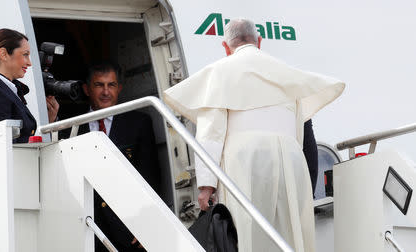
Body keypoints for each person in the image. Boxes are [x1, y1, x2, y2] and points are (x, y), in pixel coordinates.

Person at [163, 19, 345, 252]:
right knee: (288, 233)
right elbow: (298, 128)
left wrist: (206, 186)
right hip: (290, 159)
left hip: (244, 159)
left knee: (248, 232)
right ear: (259, 42)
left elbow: (212, 133)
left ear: (226, 47)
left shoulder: (220, 72)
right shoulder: (284, 71)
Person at [80, 63, 161, 252]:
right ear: (86, 89)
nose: (106, 92)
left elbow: (150, 177)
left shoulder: (139, 123)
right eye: (99, 85)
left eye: (112, 85)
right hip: (85, 228)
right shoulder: (70, 125)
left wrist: (150, 222)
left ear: (120, 88)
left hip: (128, 229)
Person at [0, 28, 59, 143]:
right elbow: (4, 146)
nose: (29, 63)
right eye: (25, 55)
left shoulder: (6, 90)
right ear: (3, 54)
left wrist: (49, 121)